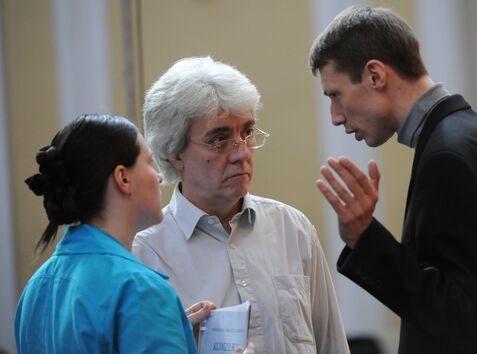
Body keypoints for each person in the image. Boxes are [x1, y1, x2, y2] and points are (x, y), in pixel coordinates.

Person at [309, 6, 477, 354]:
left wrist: (366, 239)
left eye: (335, 94)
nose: (334, 117)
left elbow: (459, 317)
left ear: (375, 75)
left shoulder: (447, 156)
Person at [132, 56, 350, 354]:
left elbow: (332, 346)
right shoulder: (146, 253)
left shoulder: (292, 228)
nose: (241, 153)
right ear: (174, 153)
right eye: (219, 140)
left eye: (247, 132)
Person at [15, 114, 203, 353]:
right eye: (149, 162)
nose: (159, 177)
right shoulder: (139, 290)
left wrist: (174, 334)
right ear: (123, 178)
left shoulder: (36, 287)